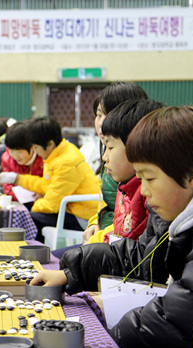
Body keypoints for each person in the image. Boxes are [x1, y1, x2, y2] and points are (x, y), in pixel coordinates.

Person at [31, 106, 193, 348]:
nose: (144, 191)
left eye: (150, 178)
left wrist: (106, 337)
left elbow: (178, 320)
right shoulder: (179, 212)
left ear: (191, 176)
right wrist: (71, 273)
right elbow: (139, 254)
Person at [0, 116, 100, 239]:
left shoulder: (65, 162)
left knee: (31, 217)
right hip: (72, 208)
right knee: (31, 214)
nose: (35, 151)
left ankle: (34, 253)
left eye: (35, 147)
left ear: (50, 144)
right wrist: (17, 179)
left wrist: (32, 205)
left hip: (84, 216)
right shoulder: (57, 153)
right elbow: (45, 184)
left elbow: (51, 205)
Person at [88, 99, 164, 244]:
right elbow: (119, 232)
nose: (104, 157)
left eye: (110, 148)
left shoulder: (148, 193)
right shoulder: (125, 186)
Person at [83, 82, 149, 243]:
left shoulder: (130, 168)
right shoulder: (112, 156)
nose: (99, 123)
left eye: (103, 115)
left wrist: (98, 239)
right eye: (97, 115)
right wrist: (94, 223)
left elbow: (130, 224)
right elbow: (109, 204)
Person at [0, 121, 43, 203]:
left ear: (32, 147)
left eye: (19, 152)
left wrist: (43, 193)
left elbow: (50, 185)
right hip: (20, 203)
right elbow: (8, 188)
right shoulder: (7, 159)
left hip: (43, 206)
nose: (15, 156)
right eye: (11, 151)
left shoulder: (43, 159)